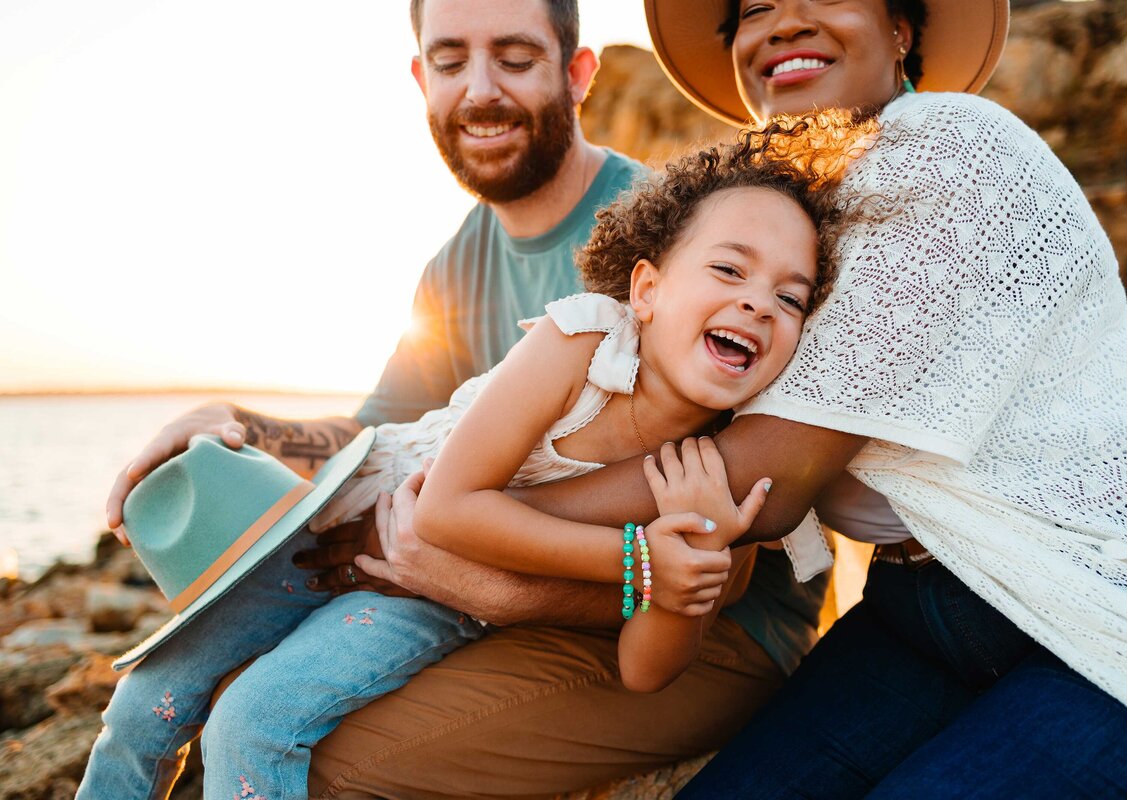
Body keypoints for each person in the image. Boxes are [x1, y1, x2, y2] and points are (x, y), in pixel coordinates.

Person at [102, 0, 831, 795]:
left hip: (707, 632)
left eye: (515, 59)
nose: (481, 90)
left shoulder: (700, 252)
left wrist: (473, 576)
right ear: (422, 79)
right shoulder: (459, 266)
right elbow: (379, 435)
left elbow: (703, 567)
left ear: (577, 75)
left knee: (300, 741)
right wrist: (241, 423)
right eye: (451, 61)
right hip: (504, 564)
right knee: (169, 694)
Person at [467, 0, 1127, 796]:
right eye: (756, 9)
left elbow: (763, 479)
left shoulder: (955, 144)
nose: (784, 22)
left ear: (901, 31)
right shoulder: (794, 223)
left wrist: (467, 516)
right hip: (925, 606)